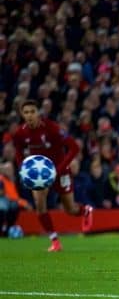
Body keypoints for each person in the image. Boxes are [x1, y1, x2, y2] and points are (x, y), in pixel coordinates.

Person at [12, 99, 93, 252]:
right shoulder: (20, 133)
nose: (30, 115)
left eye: (32, 112)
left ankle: (85, 210)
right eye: (26, 112)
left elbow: (74, 148)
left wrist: (59, 169)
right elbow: (18, 152)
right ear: (22, 114)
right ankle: (55, 241)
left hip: (60, 171)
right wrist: (23, 171)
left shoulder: (51, 128)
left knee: (70, 209)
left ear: (38, 113)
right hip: (39, 175)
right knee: (40, 205)